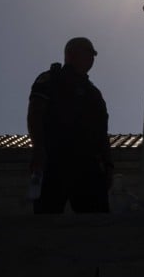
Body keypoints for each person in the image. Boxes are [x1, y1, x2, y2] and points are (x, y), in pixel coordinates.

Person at [27, 37, 114, 213]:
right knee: (47, 216)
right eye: (88, 52)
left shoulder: (94, 93)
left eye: (93, 54)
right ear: (71, 54)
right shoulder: (51, 79)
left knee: (97, 222)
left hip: (88, 165)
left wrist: (108, 165)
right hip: (55, 159)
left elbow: (102, 133)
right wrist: (38, 149)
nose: (92, 58)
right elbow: (36, 113)